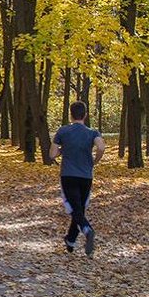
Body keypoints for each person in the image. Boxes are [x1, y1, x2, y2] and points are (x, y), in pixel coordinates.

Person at [50, 100, 105, 257]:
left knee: (75, 208)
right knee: (79, 208)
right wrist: (95, 161)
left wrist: (62, 150)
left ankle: (87, 230)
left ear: (70, 114)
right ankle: (71, 240)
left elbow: (52, 154)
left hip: (68, 175)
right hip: (86, 176)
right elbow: (101, 147)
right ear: (85, 115)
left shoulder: (63, 131)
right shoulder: (92, 132)